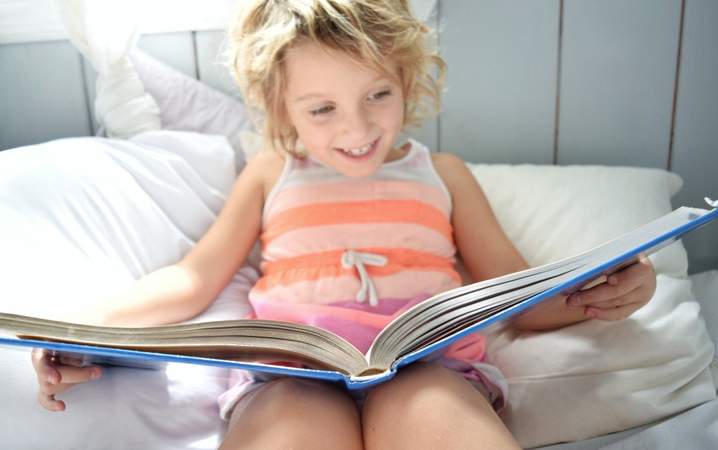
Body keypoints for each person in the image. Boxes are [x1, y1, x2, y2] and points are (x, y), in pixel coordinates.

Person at [32, 0, 657, 448]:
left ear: (406, 80)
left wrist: (609, 294)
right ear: (282, 107)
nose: (356, 131)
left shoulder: (443, 172)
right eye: (322, 109)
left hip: (428, 369)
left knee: (428, 410)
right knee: (290, 426)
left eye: (377, 96)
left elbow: (521, 298)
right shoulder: (270, 171)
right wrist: (83, 327)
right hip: (291, 375)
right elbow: (193, 279)